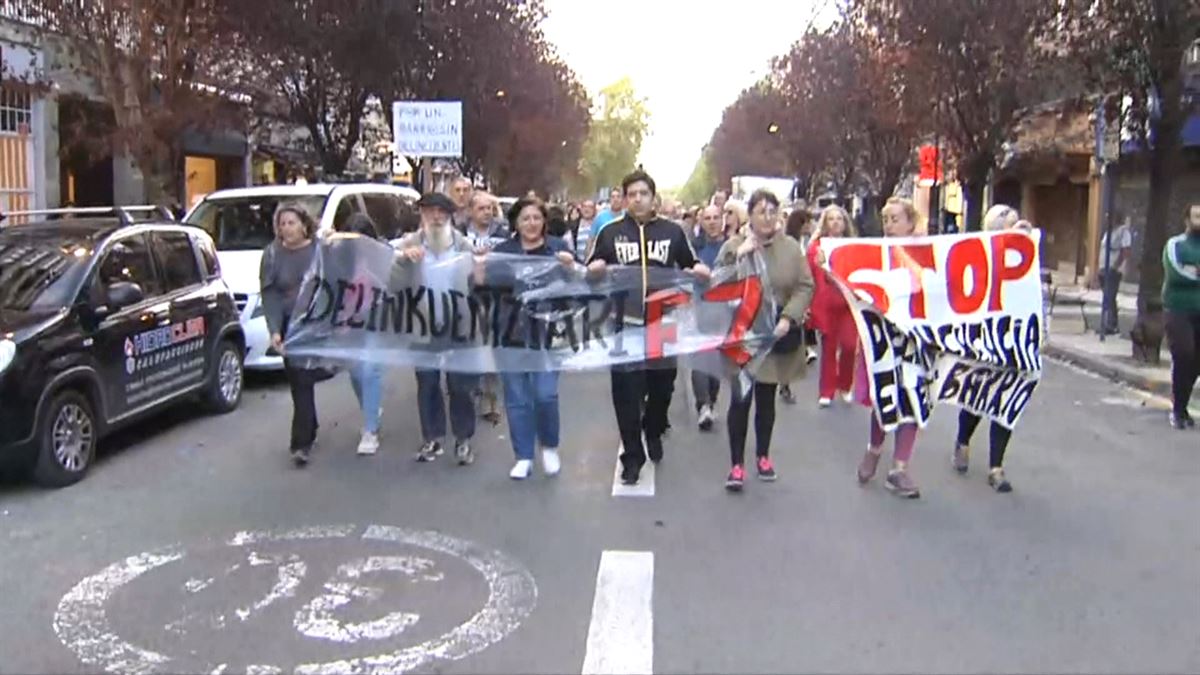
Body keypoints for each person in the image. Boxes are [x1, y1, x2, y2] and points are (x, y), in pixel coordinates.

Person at [587, 170, 711, 485]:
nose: (638, 199)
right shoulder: (611, 232)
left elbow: (688, 262)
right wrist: (595, 269)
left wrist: (699, 270)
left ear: (653, 197)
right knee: (626, 393)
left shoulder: (673, 232)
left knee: (661, 387)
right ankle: (632, 456)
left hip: (663, 322)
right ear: (625, 199)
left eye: (643, 193)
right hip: (624, 323)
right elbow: (592, 268)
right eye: (632, 194)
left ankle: (653, 429)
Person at [716, 190, 813, 491]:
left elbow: (804, 286)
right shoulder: (734, 246)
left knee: (766, 400)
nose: (768, 217)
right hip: (743, 337)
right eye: (761, 211)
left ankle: (763, 455)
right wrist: (740, 253)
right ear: (751, 215)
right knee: (740, 400)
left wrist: (789, 316)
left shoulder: (791, 248)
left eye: (773, 211)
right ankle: (736, 464)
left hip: (774, 335)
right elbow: (717, 281)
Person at [474, 198, 577, 479]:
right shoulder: (502, 252)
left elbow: (576, 289)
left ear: (544, 221)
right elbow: (483, 294)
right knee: (517, 397)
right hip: (509, 332)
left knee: (545, 394)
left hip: (548, 334)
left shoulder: (558, 250)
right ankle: (523, 456)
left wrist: (570, 269)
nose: (531, 224)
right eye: (525, 219)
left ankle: (549, 446)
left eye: (536, 218)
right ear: (515, 223)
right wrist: (480, 270)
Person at [951, 204, 1035, 492]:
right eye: (1009, 226)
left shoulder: (1027, 258)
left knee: (1006, 402)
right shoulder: (980, 256)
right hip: (985, 340)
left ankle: (996, 467)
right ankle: (962, 440)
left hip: (1016, 342)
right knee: (976, 398)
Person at [394, 192, 479, 465]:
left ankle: (463, 439)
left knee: (460, 385)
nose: (436, 217)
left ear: (451, 216)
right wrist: (403, 261)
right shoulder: (409, 244)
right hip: (423, 324)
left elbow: (479, 284)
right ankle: (433, 437)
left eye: (442, 212)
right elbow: (392, 284)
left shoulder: (464, 246)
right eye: (430, 211)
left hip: (459, 325)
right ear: (421, 214)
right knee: (427, 383)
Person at [855, 197, 925, 498]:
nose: (890, 225)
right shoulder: (875, 253)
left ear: (910, 222)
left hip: (916, 338)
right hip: (882, 336)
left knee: (911, 398)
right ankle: (874, 448)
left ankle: (900, 468)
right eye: (886, 219)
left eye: (896, 218)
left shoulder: (929, 252)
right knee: (884, 393)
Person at [260, 203, 321, 466]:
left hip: (316, 324)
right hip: (289, 326)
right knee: (299, 381)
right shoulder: (272, 255)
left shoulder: (319, 250)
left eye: (292, 223)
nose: (287, 228)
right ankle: (304, 436)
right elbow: (270, 293)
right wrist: (274, 330)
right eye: (282, 223)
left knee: (307, 378)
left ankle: (305, 434)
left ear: (304, 224)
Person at [340, 212, 387, 455]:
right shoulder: (338, 257)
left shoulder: (381, 255)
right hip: (349, 322)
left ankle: (370, 430)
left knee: (370, 369)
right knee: (356, 372)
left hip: (376, 319)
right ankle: (371, 407)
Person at [461, 192, 510, 424]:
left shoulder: (503, 234)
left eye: (490, 208)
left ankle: (491, 402)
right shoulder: (459, 234)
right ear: (471, 211)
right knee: (470, 348)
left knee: (491, 348)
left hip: (494, 298)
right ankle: (469, 392)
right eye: (481, 208)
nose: (487, 212)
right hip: (464, 298)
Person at [807, 205, 858, 408]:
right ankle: (826, 390)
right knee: (828, 348)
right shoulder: (815, 247)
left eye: (839, 219)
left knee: (849, 346)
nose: (836, 222)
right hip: (826, 303)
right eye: (831, 219)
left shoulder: (852, 246)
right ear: (825, 223)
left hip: (848, 303)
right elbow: (809, 276)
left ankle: (844, 385)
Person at [1162, 203, 1200, 430]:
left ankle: (1182, 405)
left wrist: (1194, 270)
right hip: (1178, 310)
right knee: (1184, 354)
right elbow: (1176, 273)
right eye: (1196, 216)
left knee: (1196, 362)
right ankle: (1177, 410)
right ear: (1187, 220)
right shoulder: (1175, 245)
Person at [692, 205, 727, 431]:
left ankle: (711, 401)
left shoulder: (731, 247)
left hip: (725, 310)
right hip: (700, 307)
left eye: (716, 217)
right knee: (700, 358)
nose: (712, 222)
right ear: (701, 221)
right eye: (708, 218)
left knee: (717, 361)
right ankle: (702, 405)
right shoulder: (693, 247)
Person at [1098, 214, 1134, 335]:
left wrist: (1115, 266)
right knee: (1106, 297)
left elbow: (1126, 251)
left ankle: (1112, 324)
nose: (1107, 220)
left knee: (1110, 295)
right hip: (1103, 267)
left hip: (1113, 269)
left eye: (1110, 217)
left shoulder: (1123, 232)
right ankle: (1107, 322)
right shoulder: (1108, 232)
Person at [588, 188, 626, 252]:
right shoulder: (600, 217)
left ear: (622, 199)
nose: (615, 199)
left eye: (618, 197)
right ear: (609, 199)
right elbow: (591, 240)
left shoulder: (627, 216)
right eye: (613, 197)